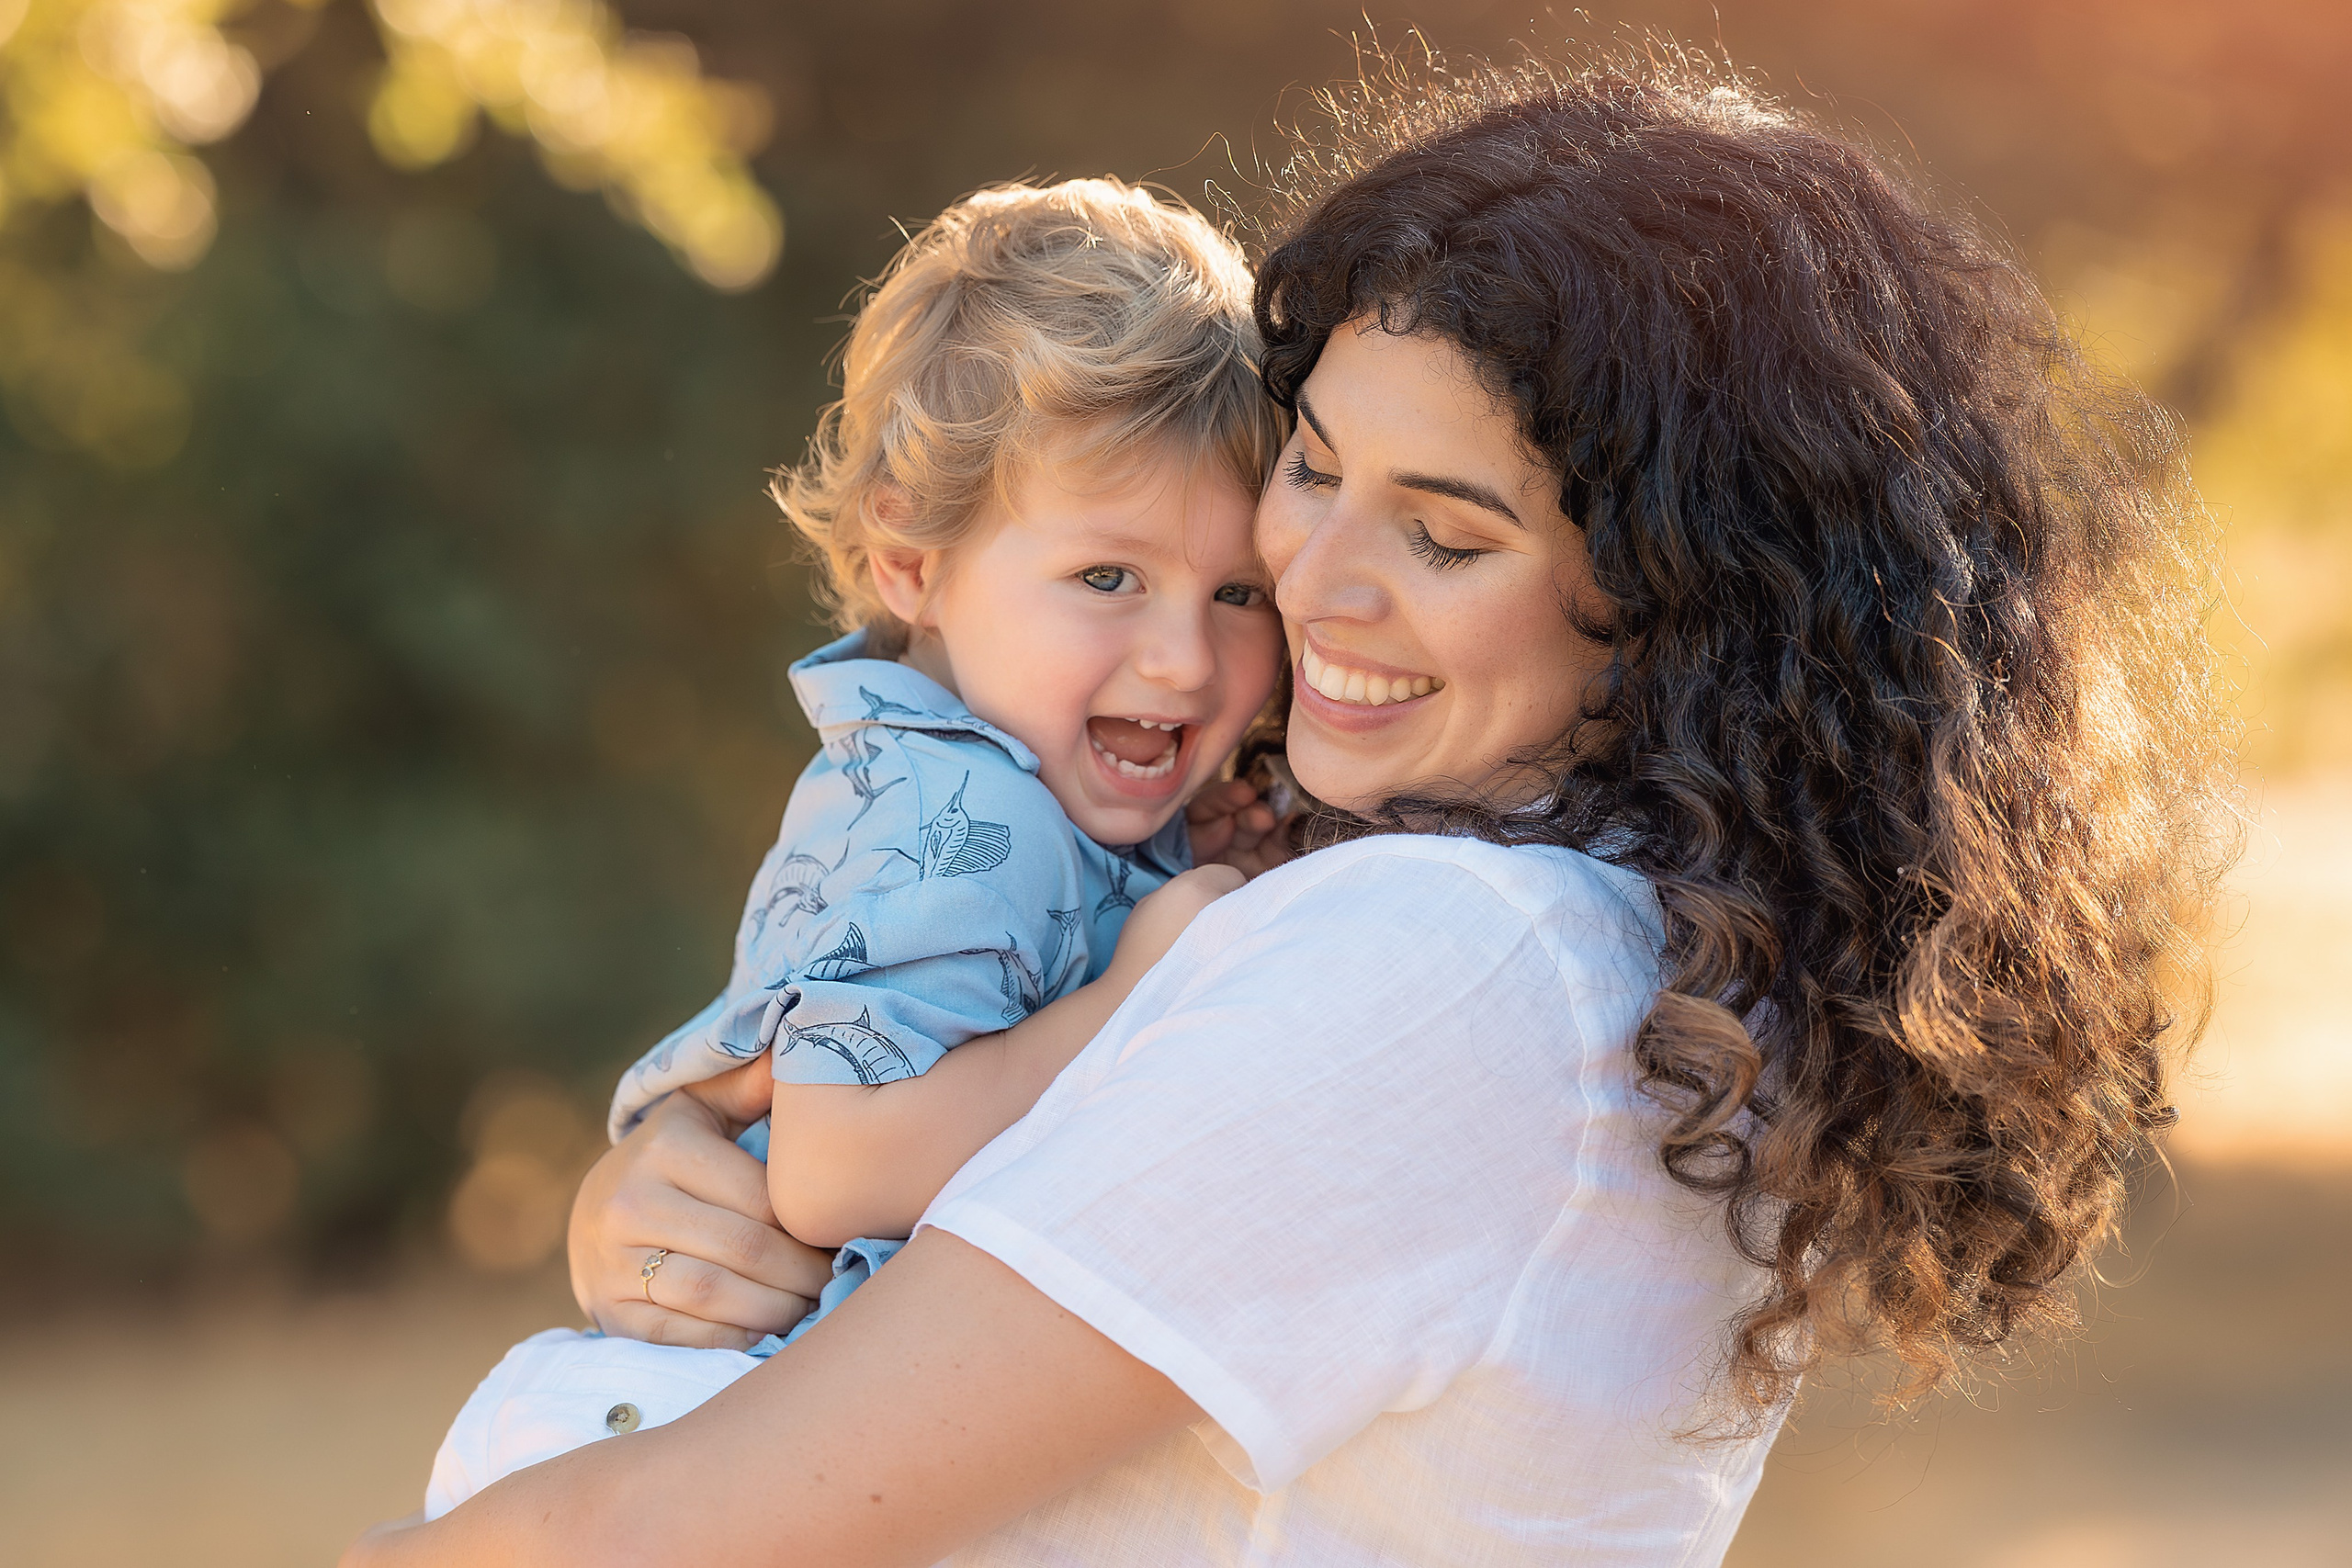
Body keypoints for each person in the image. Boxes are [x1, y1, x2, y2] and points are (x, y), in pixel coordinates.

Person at [351, 50, 2229, 1568]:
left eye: (1441, 529)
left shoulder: (1453, 961)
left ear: (1673, 598)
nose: (1310, 577)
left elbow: (674, 1526)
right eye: (1312, 467)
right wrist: (692, 1183)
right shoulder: (1578, 939)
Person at [422, 176, 1290, 1517]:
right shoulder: (971, 820)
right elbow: (838, 1162)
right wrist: (1133, 997)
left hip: (720, 1426)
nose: (1183, 658)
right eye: (1107, 578)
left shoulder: (1009, 790)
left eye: (1238, 593)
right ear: (911, 558)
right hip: (692, 1427)